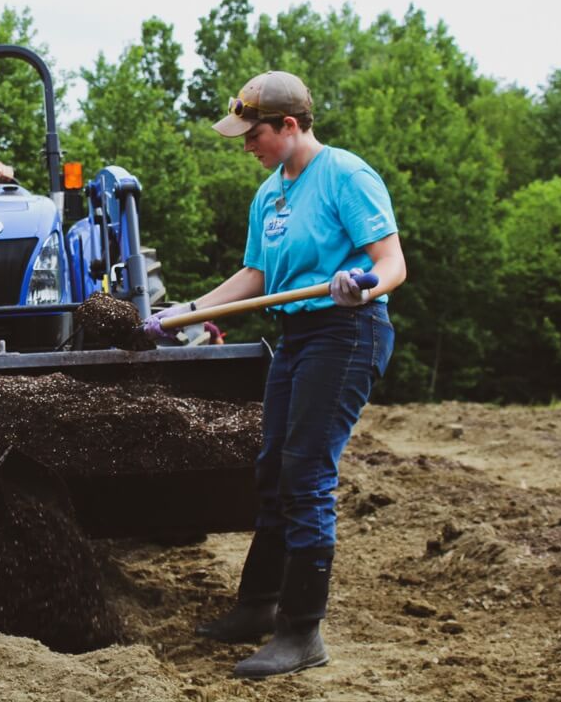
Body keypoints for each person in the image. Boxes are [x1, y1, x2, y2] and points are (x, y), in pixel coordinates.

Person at [144, 70, 406, 679]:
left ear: (290, 125)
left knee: (306, 472)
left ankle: (302, 632)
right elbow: (256, 278)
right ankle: (258, 607)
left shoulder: (345, 175)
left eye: (254, 132)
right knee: (270, 469)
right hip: (296, 336)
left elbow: (392, 262)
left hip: (347, 331)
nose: (247, 144)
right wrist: (188, 311)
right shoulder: (270, 193)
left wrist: (363, 286)